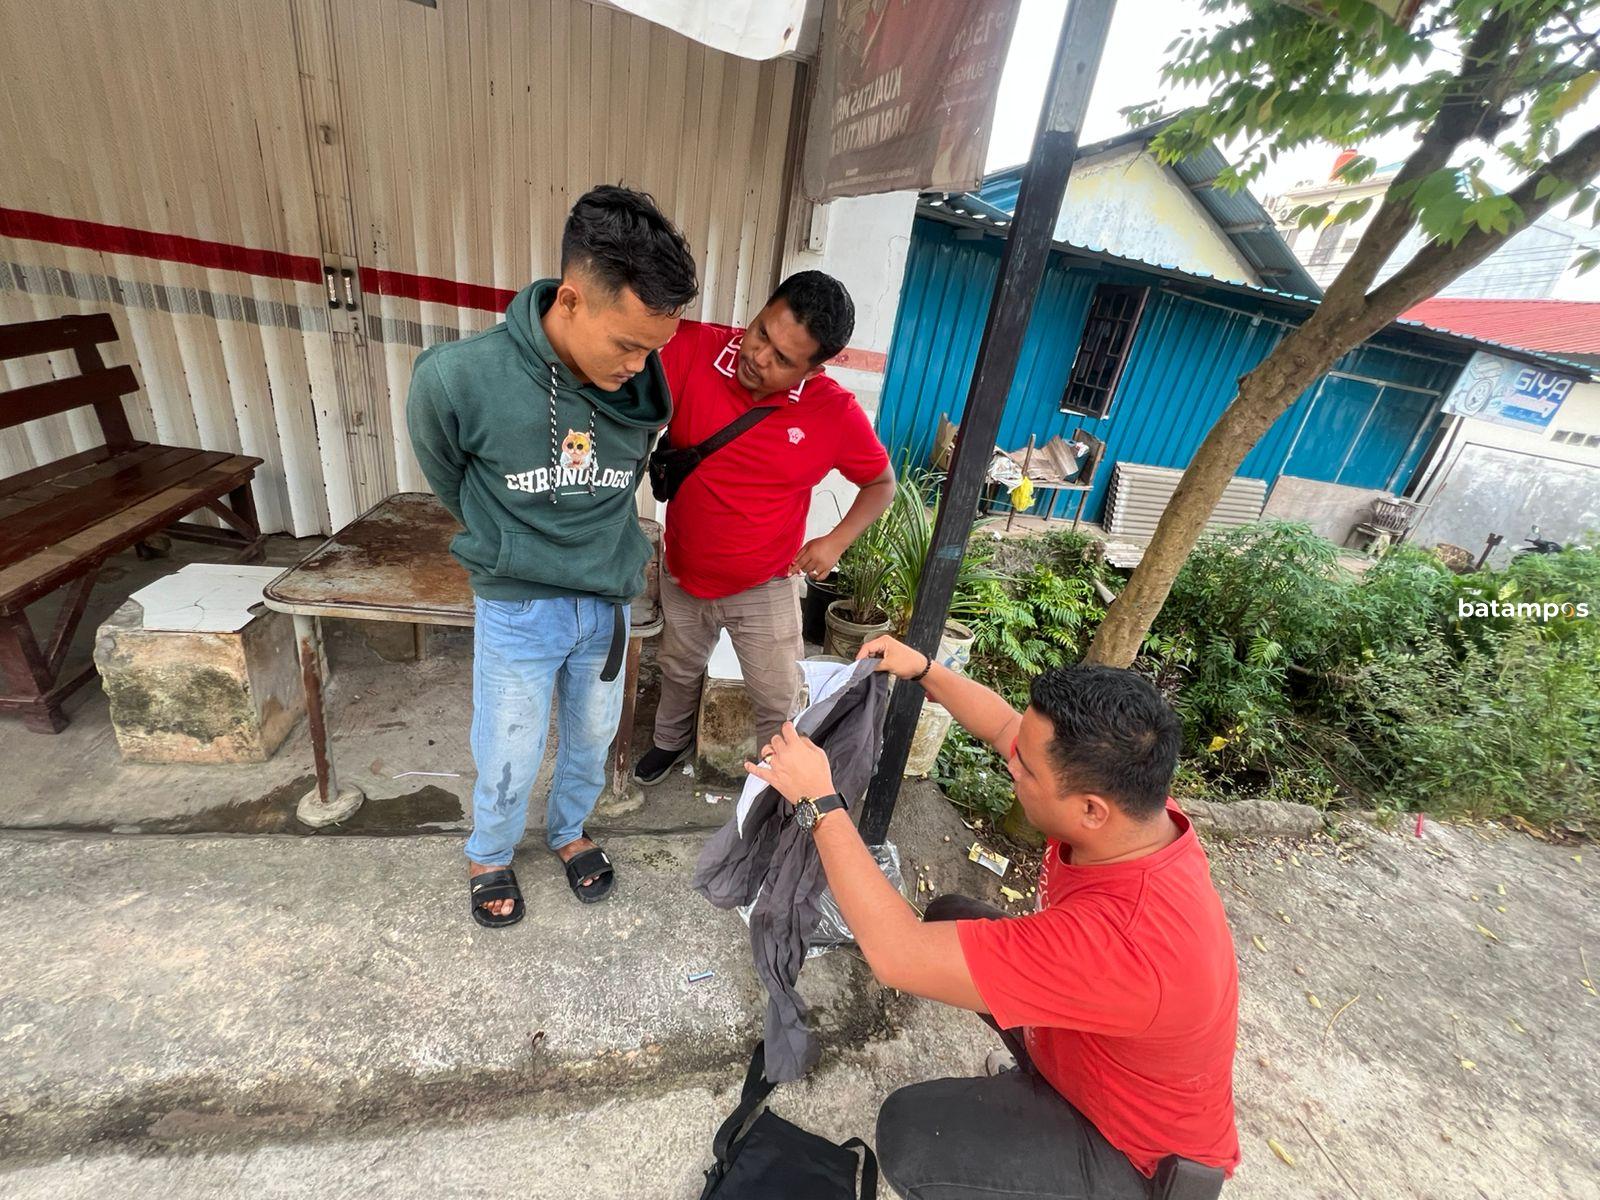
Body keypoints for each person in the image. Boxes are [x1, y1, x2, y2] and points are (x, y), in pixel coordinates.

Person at [745, 635, 1240, 1200]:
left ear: (1091, 810)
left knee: (912, 1135)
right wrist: (923, 670)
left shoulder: (1118, 944)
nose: (1011, 765)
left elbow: (897, 957)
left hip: (1134, 1157)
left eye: (1026, 769)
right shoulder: (1136, 816)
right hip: (1094, 1043)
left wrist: (819, 803)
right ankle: (1043, 1074)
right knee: (949, 915)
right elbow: (1006, 727)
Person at [407, 185, 698, 925]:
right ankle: (490, 850)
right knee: (509, 745)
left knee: (594, 739)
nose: (640, 363)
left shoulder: (641, 387)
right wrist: (505, 535)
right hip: (519, 604)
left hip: (607, 605)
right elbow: (448, 472)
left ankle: (569, 829)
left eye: (653, 348)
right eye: (626, 343)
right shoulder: (458, 378)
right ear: (569, 300)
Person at [632, 271, 895, 786]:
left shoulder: (833, 413)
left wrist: (835, 541)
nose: (757, 357)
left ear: (813, 369)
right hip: (683, 570)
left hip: (765, 586)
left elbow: (881, 484)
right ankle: (669, 740)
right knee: (678, 670)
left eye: (783, 359)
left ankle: (779, 786)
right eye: (761, 333)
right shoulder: (694, 350)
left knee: (778, 699)